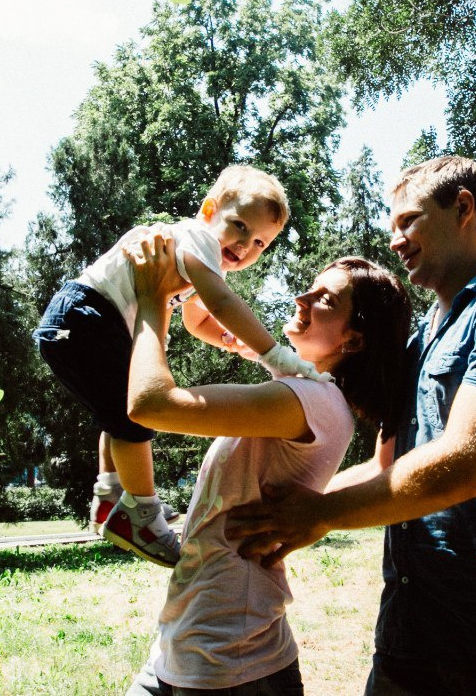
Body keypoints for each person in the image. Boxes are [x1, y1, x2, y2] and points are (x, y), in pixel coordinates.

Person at [228, 156, 476, 696]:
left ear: (463, 210)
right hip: (412, 642)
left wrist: (321, 513)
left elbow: (466, 464)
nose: (395, 240)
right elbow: (384, 465)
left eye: (408, 220)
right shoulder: (418, 344)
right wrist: (277, 509)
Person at [122, 231, 411, 695]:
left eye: (325, 299)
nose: (301, 297)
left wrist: (153, 300)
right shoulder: (303, 388)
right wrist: (194, 273)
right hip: (187, 643)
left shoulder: (310, 400)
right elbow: (214, 317)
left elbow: (150, 404)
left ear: (353, 340)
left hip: (230, 659)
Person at [33, 166, 325, 568]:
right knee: (134, 418)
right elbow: (222, 304)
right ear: (209, 210)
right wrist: (273, 355)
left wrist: (227, 339)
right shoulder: (197, 238)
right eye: (238, 225)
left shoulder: (194, 253)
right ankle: (142, 517)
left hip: (78, 321)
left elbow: (198, 318)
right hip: (88, 317)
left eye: (259, 242)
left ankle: (110, 498)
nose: (244, 244)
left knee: (118, 410)